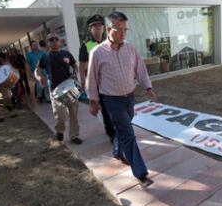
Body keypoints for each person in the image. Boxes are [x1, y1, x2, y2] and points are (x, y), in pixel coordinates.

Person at [86, 12, 157, 188]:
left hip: (129, 98)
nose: (124, 34)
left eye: (126, 30)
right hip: (111, 101)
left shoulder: (130, 48)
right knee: (128, 133)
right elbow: (92, 79)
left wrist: (148, 87)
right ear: (109, 29)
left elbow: (140, 69)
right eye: (120, 30)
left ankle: (117, 150)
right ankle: (141, 174)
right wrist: (93, 102)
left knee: (122, 128)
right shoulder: (97, 52)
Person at [35, 32, 83, 145]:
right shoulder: (45, 56)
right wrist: (39, 77)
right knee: (60, 116)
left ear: (59, 41)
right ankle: (60, 130)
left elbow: (74, 65)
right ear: (47, 43)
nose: (54, 41)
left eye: (56, 39)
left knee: (74, 114)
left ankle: (74, 135)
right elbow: (38, 70)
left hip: (69, 87)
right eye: (51, 40)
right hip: (55, 91)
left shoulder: (66, 53)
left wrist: (75, 72)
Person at [79, 14, 115, 145]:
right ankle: (111, 133)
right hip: (97, 83)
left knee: (115, 106)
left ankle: (116, 127)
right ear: (90, 29)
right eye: (94, 26)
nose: (98, 28)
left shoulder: (109, 42)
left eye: (100, 25)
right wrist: (83, 82)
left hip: (111, 80)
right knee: (105, 108)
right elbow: (81, 65)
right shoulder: (86, 46)